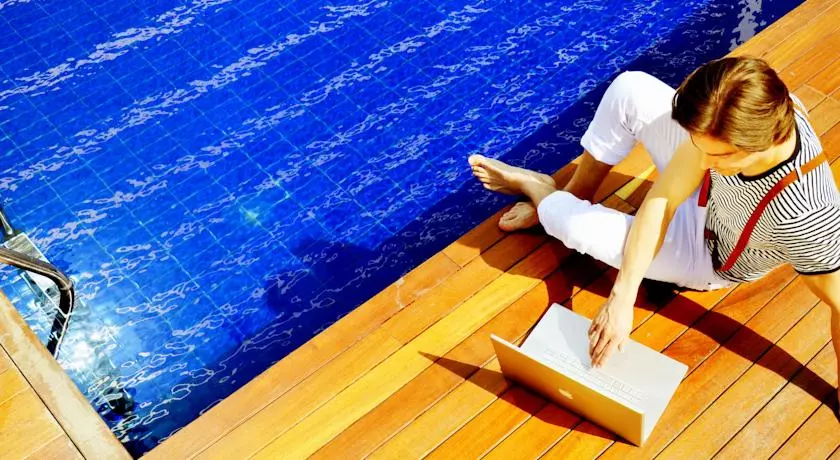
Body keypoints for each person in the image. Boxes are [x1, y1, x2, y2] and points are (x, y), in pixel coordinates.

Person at [468, 57, 840, 406]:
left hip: (706, 255)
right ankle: (572, 193)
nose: (702, 160)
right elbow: (661, 201)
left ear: (762, 142)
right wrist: (622, 296)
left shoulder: (806, 220)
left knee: (571, 225)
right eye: (699, 146)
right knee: (629, 89)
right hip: (710, 196)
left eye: (716, 154)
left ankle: (539, 191)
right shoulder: (756, 104)